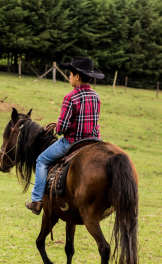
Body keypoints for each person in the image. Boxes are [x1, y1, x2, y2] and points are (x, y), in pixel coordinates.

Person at [26, 56, 104, 215]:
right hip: (94, 142)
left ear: (77, 76)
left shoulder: (70, 97)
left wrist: (58, 125)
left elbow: (61, 128)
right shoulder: (96, 96)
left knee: (41, 160)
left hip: (72, 142)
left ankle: (36, 201)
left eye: (70, 74)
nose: (69, 77)